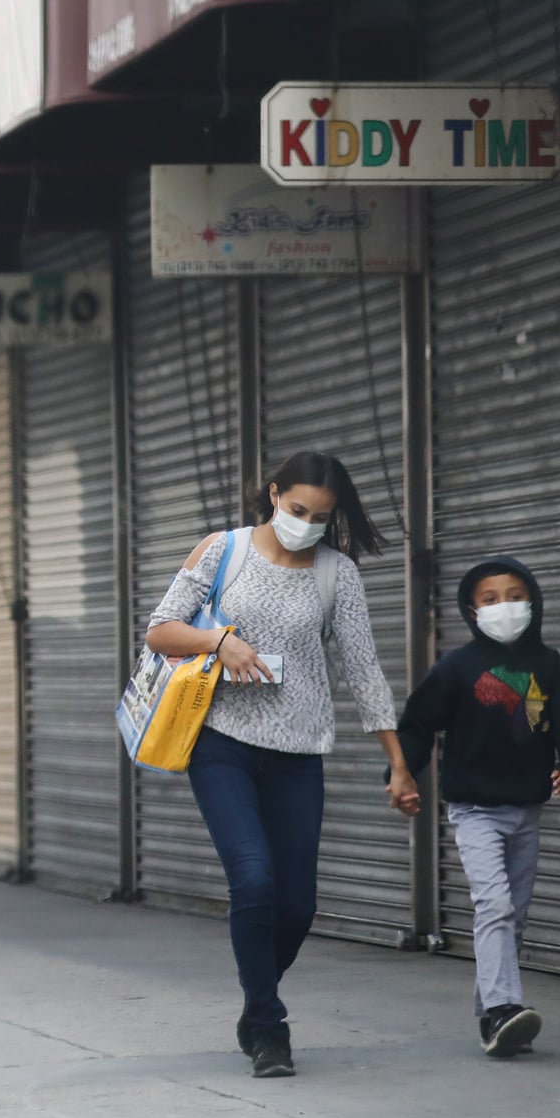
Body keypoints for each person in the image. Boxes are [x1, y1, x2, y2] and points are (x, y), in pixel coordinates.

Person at [146, 451, 416, 1079]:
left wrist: (398, 765)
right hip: (221, 743)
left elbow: (363, 670)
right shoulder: (221, 550)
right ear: (273, 494)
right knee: (254, 880)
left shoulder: (337, 574)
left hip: (298, 752)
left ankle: (255, 1002)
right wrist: (220, 640)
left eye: (320, 517)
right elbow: (160, 630)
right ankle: (268, 1026)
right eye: (296, 510)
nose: (306, 524)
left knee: (296, 906)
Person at [391, 557, 560, 1057]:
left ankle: (493, 1019)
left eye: (514, 595)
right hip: (475, 810)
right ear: (471, 610)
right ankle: (505, 1006)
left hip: (527, 810)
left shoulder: (548, 666)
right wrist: (402, 774)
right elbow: (417, 723)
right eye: (490, 599)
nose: (504, 606)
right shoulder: (457, 669)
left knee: (514, 917)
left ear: (533, 603)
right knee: (495, 906)